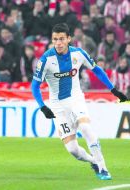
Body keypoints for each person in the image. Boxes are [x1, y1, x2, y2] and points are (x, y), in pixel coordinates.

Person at [31, 23, 128, 180]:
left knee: (85, 127)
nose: (58, 43)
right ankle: (93, 161)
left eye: (62, 39)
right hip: (58, 107)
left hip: (76, 99)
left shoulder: (78, 54)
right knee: (73, 150)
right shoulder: (46, 60)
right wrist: (42, 106)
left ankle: (103, 168)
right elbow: (34, 85)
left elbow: (96, 69)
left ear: (69, 39)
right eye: (55, 39)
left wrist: (113, 90)